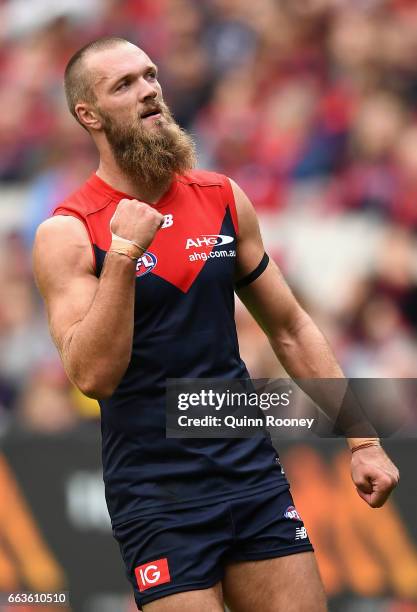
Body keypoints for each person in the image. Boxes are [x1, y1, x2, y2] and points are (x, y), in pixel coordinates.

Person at [33, 37, 399, 612]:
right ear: (89, 115)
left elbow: (290, 328)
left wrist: (363, 438)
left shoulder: (222, 197)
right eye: (123, 85)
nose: (149, 90)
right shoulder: (70, 231)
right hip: (157, 496)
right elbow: (93, 377)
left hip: (251, 475)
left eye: (149, 75)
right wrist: (125, 254)